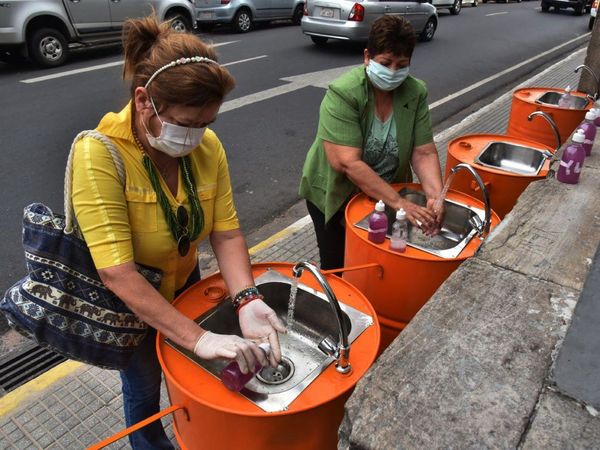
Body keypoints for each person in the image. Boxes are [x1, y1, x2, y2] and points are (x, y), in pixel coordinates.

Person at [71, 15, 285, 450]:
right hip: (130, 306)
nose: (197, 135)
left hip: (183, 284)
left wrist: (247, 299)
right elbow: (117, 273)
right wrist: (200, 337)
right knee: (145, 385)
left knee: (183, 371)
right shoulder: (98, 154)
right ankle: (149, 442)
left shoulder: (207, 148)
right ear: (144, 100)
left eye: (207, 123)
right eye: (187, 122)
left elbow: (225, 234)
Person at [299, 15, 444, 270]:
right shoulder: (344, 93)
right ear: (367, 57)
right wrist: (400, 203)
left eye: (401, 65)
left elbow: (423, 152)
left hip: (383, 193)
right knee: (339, 265)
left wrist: (435, 196)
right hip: (336, 193)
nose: (392, 72)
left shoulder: (415, 92)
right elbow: (347, 163)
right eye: (385, 63)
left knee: (382, 258)